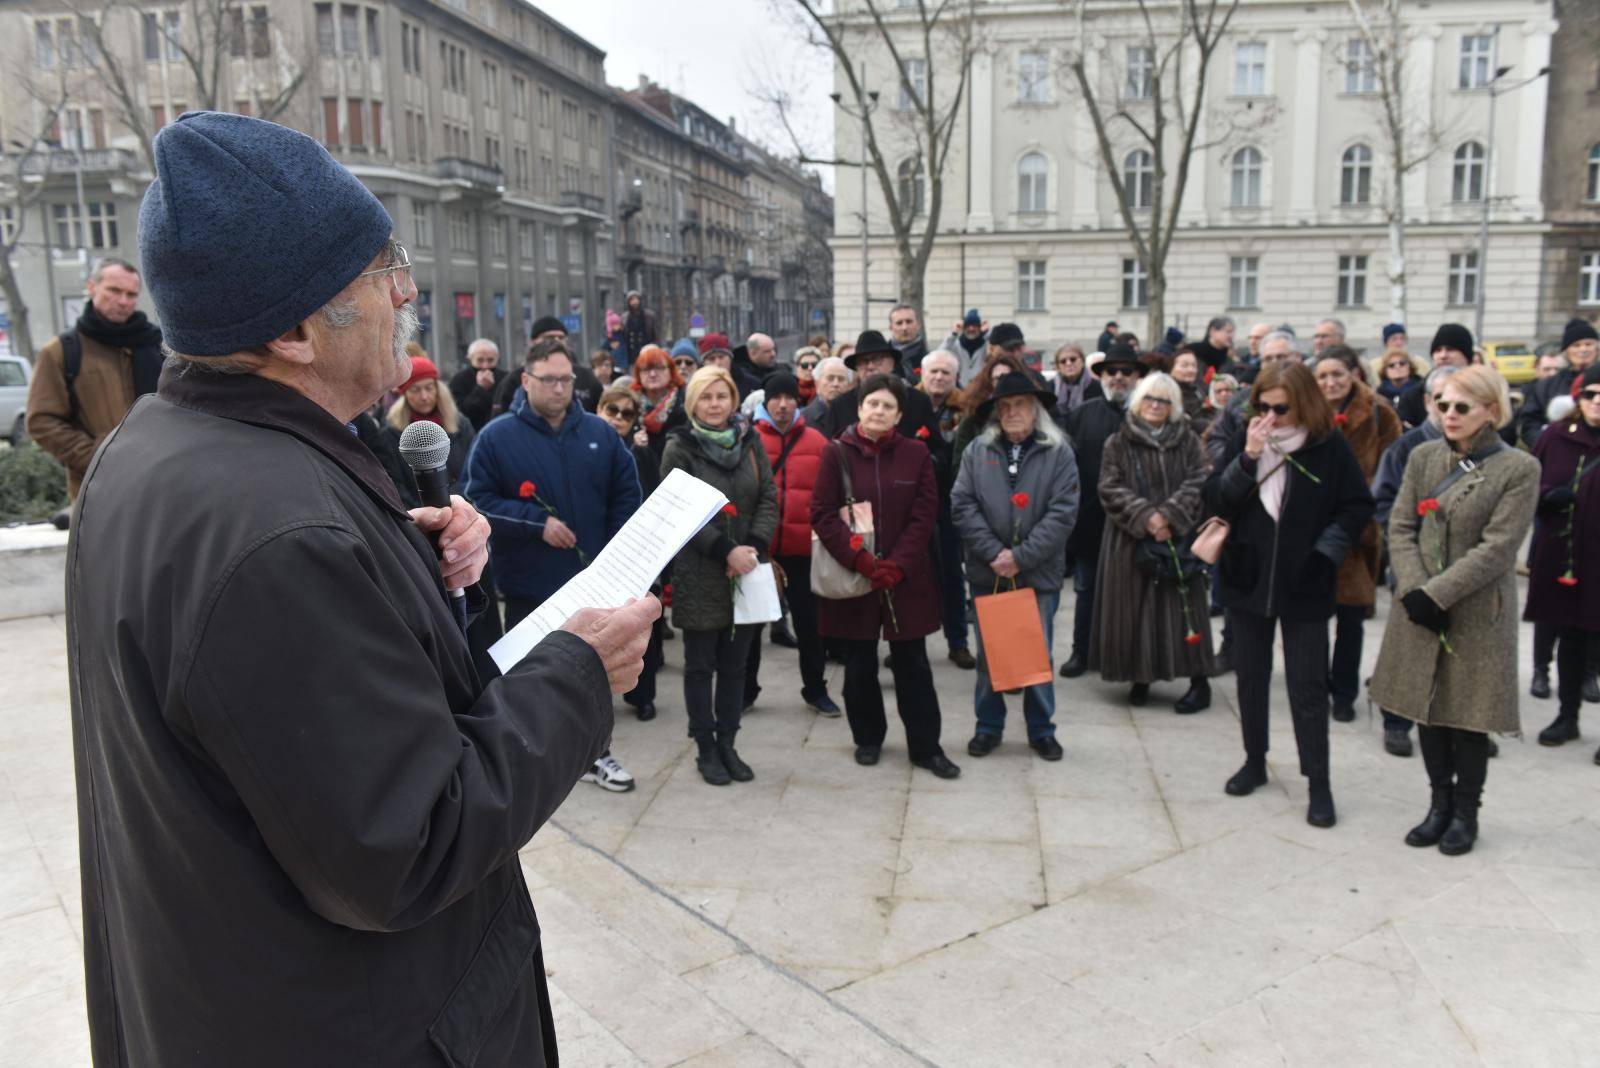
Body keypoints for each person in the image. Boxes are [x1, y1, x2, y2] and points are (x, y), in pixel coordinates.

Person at [69, 111, 656, 1066]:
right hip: (353, 1024)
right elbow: (409, 844)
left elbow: (269, 707)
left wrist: (399, 559)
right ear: (298, 331)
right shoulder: (277, 536)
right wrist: (579, 675)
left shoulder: (159, 448)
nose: (410, 293)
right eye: (385, 273)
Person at [1369, 367, 1540, 854]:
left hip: (1478, 612)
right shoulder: (1423, 456)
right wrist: (1416, 591)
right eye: (1443, 405)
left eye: (1462, 407)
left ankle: (1467, 813)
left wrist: (1437, 594)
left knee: (1468, 715)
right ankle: (1438, 805)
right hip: (1419, 605)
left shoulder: (1519, 469)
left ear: (1491, 410)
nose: (1449, 414)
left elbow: (1498, 548)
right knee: (1427, 709)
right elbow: (1399, 526)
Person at [463, 337, 643, 793]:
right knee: (534, 675)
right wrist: (535, 523)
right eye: (549, 380)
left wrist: (616, 552)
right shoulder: (497, 436)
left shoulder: (600, 435)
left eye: (567, 380)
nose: (560, 388)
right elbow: (477, 500)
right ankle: (532, 756)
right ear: (526, 381)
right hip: (530, 583)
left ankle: (594, 753)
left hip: (592, 583)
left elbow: (626, 495)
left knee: (592, 675)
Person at [1205, 361, 1374, 828]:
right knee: (1251, 678)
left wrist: (1326, 553)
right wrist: (1248, 456)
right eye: (1263, 406)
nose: (1272, 416)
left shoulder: (1328, 445)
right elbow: (1217, 499)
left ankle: (1318, 782)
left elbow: (1357, 504)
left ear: (1303, 403)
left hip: (1306, 581)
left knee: (1307, 687)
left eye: (1282, 408)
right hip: (1247, 576)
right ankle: (1254, 761)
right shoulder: (1249, 439)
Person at [812, 373, 959, 778]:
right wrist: (861, 561)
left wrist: (897, 565)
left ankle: (926, 747)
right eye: (872, 403)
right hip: (855, 575)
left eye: (888, 406)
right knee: (859, 665)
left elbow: (924, 514)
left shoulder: (915, 455)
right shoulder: (836, 453)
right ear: (860, 408)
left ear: (899, 415)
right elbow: (822, 514)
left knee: (914, 665)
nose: (879, 411)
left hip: (905, 579)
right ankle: (868, 738)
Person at [660, 366, 779, 785]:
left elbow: (767, 495)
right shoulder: (680, 447)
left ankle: (729, 741)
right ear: (693, 402)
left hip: (747, 567)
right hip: (701, 570)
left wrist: (754, 549)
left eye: (721, 396)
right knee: (700, 665)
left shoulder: (750, 442)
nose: (715, 404)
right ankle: (705, 746)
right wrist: (726, 550)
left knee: (736, 664)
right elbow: (680, 513)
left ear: (733, 400)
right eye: (706, 397)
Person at [951, 372, 1080, 759]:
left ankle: (1041, 729)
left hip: (1036, 573)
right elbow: (962, 504)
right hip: (988, 570)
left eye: (1020, 405)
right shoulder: (978, 450)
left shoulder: (1059, 452)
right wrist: (995, 553)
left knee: (1037, 653)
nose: (1011, 413)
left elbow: (1062, 514)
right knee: (991, 653)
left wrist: (1020, 557)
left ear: (1036, 410)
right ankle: (988, 726)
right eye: (1004, 407)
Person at [1089, 371, 1214, 713]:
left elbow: (1199, 479)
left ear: (1173, 405)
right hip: (1129, 539)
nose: (1155, 405)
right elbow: (1109, 487)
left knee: (1184, 609)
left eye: (1163, 400)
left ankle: (1199, 681)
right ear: (1138, 400)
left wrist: (1170, 516)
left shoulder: (1187, 440)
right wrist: (1147, 517)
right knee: (1135, 610)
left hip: (1178, 536)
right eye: (1149, 398)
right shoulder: (1118, 441)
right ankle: (1140, 675)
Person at [1312, 346, 1402, 731]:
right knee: (1312, 617)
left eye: (1338, 374)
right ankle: (1316, 685)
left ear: (1354, 374)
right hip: (1313, 525)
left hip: (1359, 528)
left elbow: (1391, 468)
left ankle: (1344, 693)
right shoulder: (1306, 409)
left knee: (1351, 617)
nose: (1331, 383)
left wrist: (1359, 504)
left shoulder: (1379, 412)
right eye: (1323, 376)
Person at [25, 256, 163, 501]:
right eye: (114, 290)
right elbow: (41, 420)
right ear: (92, 287)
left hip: (158, 484)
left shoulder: (155, 345)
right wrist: (99, 457)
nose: (123, 301)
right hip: (98, 493)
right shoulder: (61, 351)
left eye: (131, 295)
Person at [745, 371, 840, 716]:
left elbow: (831, 495)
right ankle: (746, 690)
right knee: (752, 626)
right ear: (766, 402)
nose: (783, 405)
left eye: (790, 398)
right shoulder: (749, 439)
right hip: (761, 549)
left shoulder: (817, 442)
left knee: (809, 626)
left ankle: (815, 689)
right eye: (776, 398)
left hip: (804, 550)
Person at [1524, 365, 1600, 756]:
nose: (1598, 402)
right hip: (1565, 555)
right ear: (1578, 398)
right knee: (1569, 635)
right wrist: (1547, 496)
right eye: (1591, 394)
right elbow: (1527, 484)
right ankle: (1567, 716)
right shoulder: (1556, 436)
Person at [1059, 341, 1145, 678]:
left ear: (1138, 376)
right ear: (1102, 376)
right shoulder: (1082, 414)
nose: (1119, 377)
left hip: (1135, 522)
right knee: (1087, 589)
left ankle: (1126, 657)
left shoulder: (1147, 413)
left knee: (1132, 594)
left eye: (1127, 371)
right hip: (1090, 522)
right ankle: (1082, 652)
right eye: (1113, 371)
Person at [598, 385, 667, 723]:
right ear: (600, 409)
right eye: (612, 411)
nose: (618, 420)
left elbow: (655, 503)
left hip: (638, 552)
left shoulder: (641, 455)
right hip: (598, 552)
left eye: (627, 414)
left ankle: (643, 695)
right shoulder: (590, 449)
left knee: (642, 628)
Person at [918, 350, 976, 669]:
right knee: (913, 575)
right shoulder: (909, 404)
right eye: (934, 371)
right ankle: (909, 643)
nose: (939, 377)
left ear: (955, 378)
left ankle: (958, 642)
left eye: (946, 373)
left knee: (953, 573)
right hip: (913, 502)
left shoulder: (965, 408)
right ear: (922, 374)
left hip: (950, 500)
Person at [380, 356, 477, 506]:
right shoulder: (390, 434)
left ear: (438, 389)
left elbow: (472, 471)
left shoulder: (461, 425)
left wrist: (456, 504)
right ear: (404, 394)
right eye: (415, 390)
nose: (424, 396)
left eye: (429, 388)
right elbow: (394, 485)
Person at [815, 330, 940, 442]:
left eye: (877, 359)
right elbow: (830, 450)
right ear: (857, 368)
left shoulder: (918, 401)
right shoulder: (840, 405)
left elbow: (937, 450)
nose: (870, 366)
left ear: (891, 363)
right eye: (864, 361)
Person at [492, 316, 604, 415]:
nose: (557, 341)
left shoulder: (586, 377)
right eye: (549, 338)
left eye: (561, 337)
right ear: (533, 342)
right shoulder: (514, 380)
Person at [1518, 318, 1598, 448]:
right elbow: (1529, 424)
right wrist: (1547, 443)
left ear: (1597, 349)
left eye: (1588, 344)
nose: (1583, 349)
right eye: (1576, 345)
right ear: (1566, 351)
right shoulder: (1546, 386)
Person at [629, 343, 688, 460]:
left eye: (659, 368)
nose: (652, 374)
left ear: (671, 371)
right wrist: (632, 442)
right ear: (638, 374)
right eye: (646, 369)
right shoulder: (629, 404)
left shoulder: (685, 399)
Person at [448, 337, 506, 431]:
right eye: (480, 360)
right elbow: (460, 412)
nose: (485, 366)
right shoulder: (459, 380)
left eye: (490, 360)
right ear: (470, 359)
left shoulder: (506, 379)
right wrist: (481, 389)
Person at [1374, 349, 1427, 427]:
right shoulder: (1378, 395)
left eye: (1402, 363)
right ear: (1385, 371)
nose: (1397, 367)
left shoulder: (1422, 390)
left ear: (1410, 367)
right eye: (1391, 365)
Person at [938, 308, 990, 384]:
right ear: (964, 327)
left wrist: (987, 333)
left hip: (981, 387)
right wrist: (953, 334)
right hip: (959, 387)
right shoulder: (956, 344)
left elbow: (996, 352)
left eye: (975, 326)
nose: (971, 328)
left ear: (979, 328)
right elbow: (940, 353)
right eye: (968, 326)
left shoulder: (986, 344)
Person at [1052, 343, 1103, 412]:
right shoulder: (1049, 388)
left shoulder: (1098, 387)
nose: (1068, 363)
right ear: (1058, 366)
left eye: (1073, 359)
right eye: (1063, 361)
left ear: (1082, 361)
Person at [804, 354, 852, 425]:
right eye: (830, 378)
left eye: (841, 379)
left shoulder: (857, 417)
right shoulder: (803, 418)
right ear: (817, 383)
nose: (836, 384)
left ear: (848, 385)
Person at [732, 331, 779, 397]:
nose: (773, 354)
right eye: (767, 351)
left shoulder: (778, 370)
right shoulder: (741, 378)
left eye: (773, 349)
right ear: (753, 353)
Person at [888, 303, 928, 380]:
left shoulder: (929, 358)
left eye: (909, 322)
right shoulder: (883, 359)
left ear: (918, 324)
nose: (904, 327)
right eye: (899, 323)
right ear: (891, 328)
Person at [623, 289, 659, 362]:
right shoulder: (625, 317)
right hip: (631, 352)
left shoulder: (649, 316)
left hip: (646, 348)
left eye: (636, 299)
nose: (634, 302)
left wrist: (655, 345)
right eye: (632, 300)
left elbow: (656, 333)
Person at [1170, 347, 1206, 421]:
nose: (1190, 370)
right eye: (1184, 365)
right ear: (1171, 369)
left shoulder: (1199, 392)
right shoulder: (1166, 393)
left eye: (1194, 366)